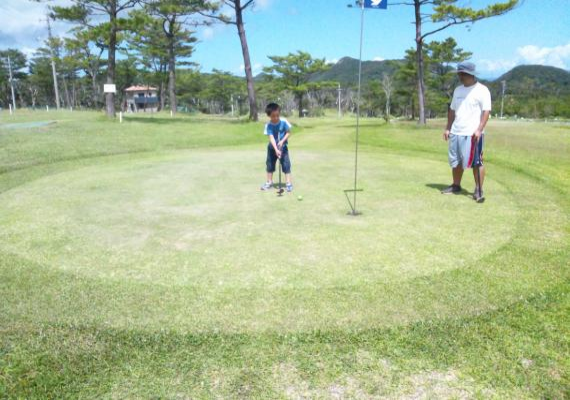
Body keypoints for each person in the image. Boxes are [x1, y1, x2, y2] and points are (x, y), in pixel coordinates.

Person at [442, 62, 491, 203]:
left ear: (471, 74)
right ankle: (456, 185)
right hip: (456, 131)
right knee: (456, 162)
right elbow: (452, 110)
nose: (460, 76)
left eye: (462, 74)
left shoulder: (482, 90)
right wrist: (448, 128)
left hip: (473, 133)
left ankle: (478, 190)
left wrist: (479, 129)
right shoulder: (458, 90)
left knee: (477, 162)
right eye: (459, 73)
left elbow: (486, 111)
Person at [260, 103, 293, 192]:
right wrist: (276, 149)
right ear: (269, 116)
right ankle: (269, 182)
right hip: (272, 148)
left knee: (286, 164)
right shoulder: (268, 125)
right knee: (270, 164)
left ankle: (288, 183)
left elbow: (288, 132)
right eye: (273, 116)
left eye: (277, 115)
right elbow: (271, 138)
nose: (276, 118)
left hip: (283, 147)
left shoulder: (284, 121)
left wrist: (282, 142)